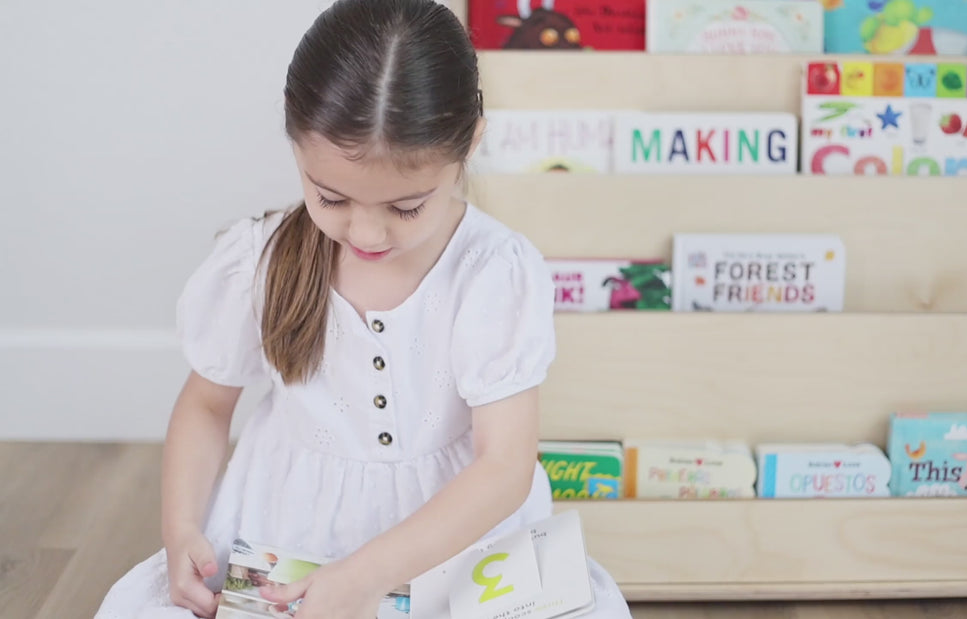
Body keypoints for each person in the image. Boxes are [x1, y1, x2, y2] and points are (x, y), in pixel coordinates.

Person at [94, 0, 633, 617]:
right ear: (296, 145)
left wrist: (366, 575)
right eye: (331, 198)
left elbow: (505, 466)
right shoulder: (260, 260)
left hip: (453, 539)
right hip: (289, 522)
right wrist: (181, 529)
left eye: (406, 207)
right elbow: (207, 404)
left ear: (470, 145)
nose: (368, 235)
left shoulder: (491, 271)